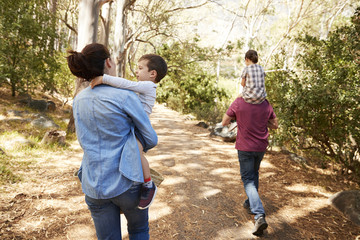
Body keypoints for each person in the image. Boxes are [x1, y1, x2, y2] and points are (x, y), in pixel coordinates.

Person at [67, 43, 158, 240]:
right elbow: (150, 138)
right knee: (139, 231)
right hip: (128, 180)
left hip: (94, 183)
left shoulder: (79, 99)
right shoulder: (125, 96)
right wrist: (138, 145)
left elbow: (83, 140)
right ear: (108, 62)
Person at [90, 54, 167, 209]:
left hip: (140, 129)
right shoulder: (144, 86)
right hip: (134, 126)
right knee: (128, 154)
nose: (137, 72)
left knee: (137, 153)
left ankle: (148, 184)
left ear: (152, 74)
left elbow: (127, 85)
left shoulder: (148, 86)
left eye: (140, 68)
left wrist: (103, 78)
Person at [222, 97, 278, 236]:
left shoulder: (240, 102)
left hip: (245, 147)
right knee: (254, 173)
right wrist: (261, 122)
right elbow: (275, 125)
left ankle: (259, 215)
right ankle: (249, 202)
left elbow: (225, 122)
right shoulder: (265, 103)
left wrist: (241, 120)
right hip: (260, 147)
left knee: (248, 179)